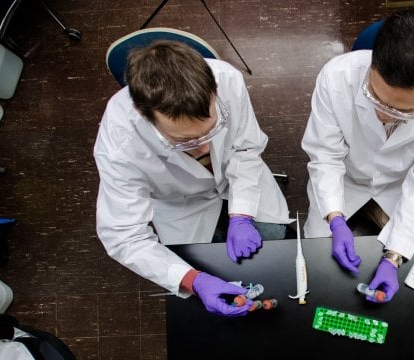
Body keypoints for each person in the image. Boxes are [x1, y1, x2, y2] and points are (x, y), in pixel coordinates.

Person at [94, 40, 291, 317]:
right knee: (205, 265)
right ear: (143, 114)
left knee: (273, 236)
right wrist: (192, 280)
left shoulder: (227, 79)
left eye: (212, 131)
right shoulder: (120, 142)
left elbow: (246, 148)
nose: (203, 148)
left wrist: (241, 215)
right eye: (184, 140)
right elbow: (124, 236)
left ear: (213, 90)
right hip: (180, 204)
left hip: (236, 179)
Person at [302, 10, 414, 303]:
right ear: (374, 60)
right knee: (317, 255)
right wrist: (334, 217)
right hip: (345, 177)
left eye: (402, 111)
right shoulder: (337, 76)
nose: (383, 114)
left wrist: (393, 257)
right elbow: (325, 156)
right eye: (374, 98)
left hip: (398, 184)